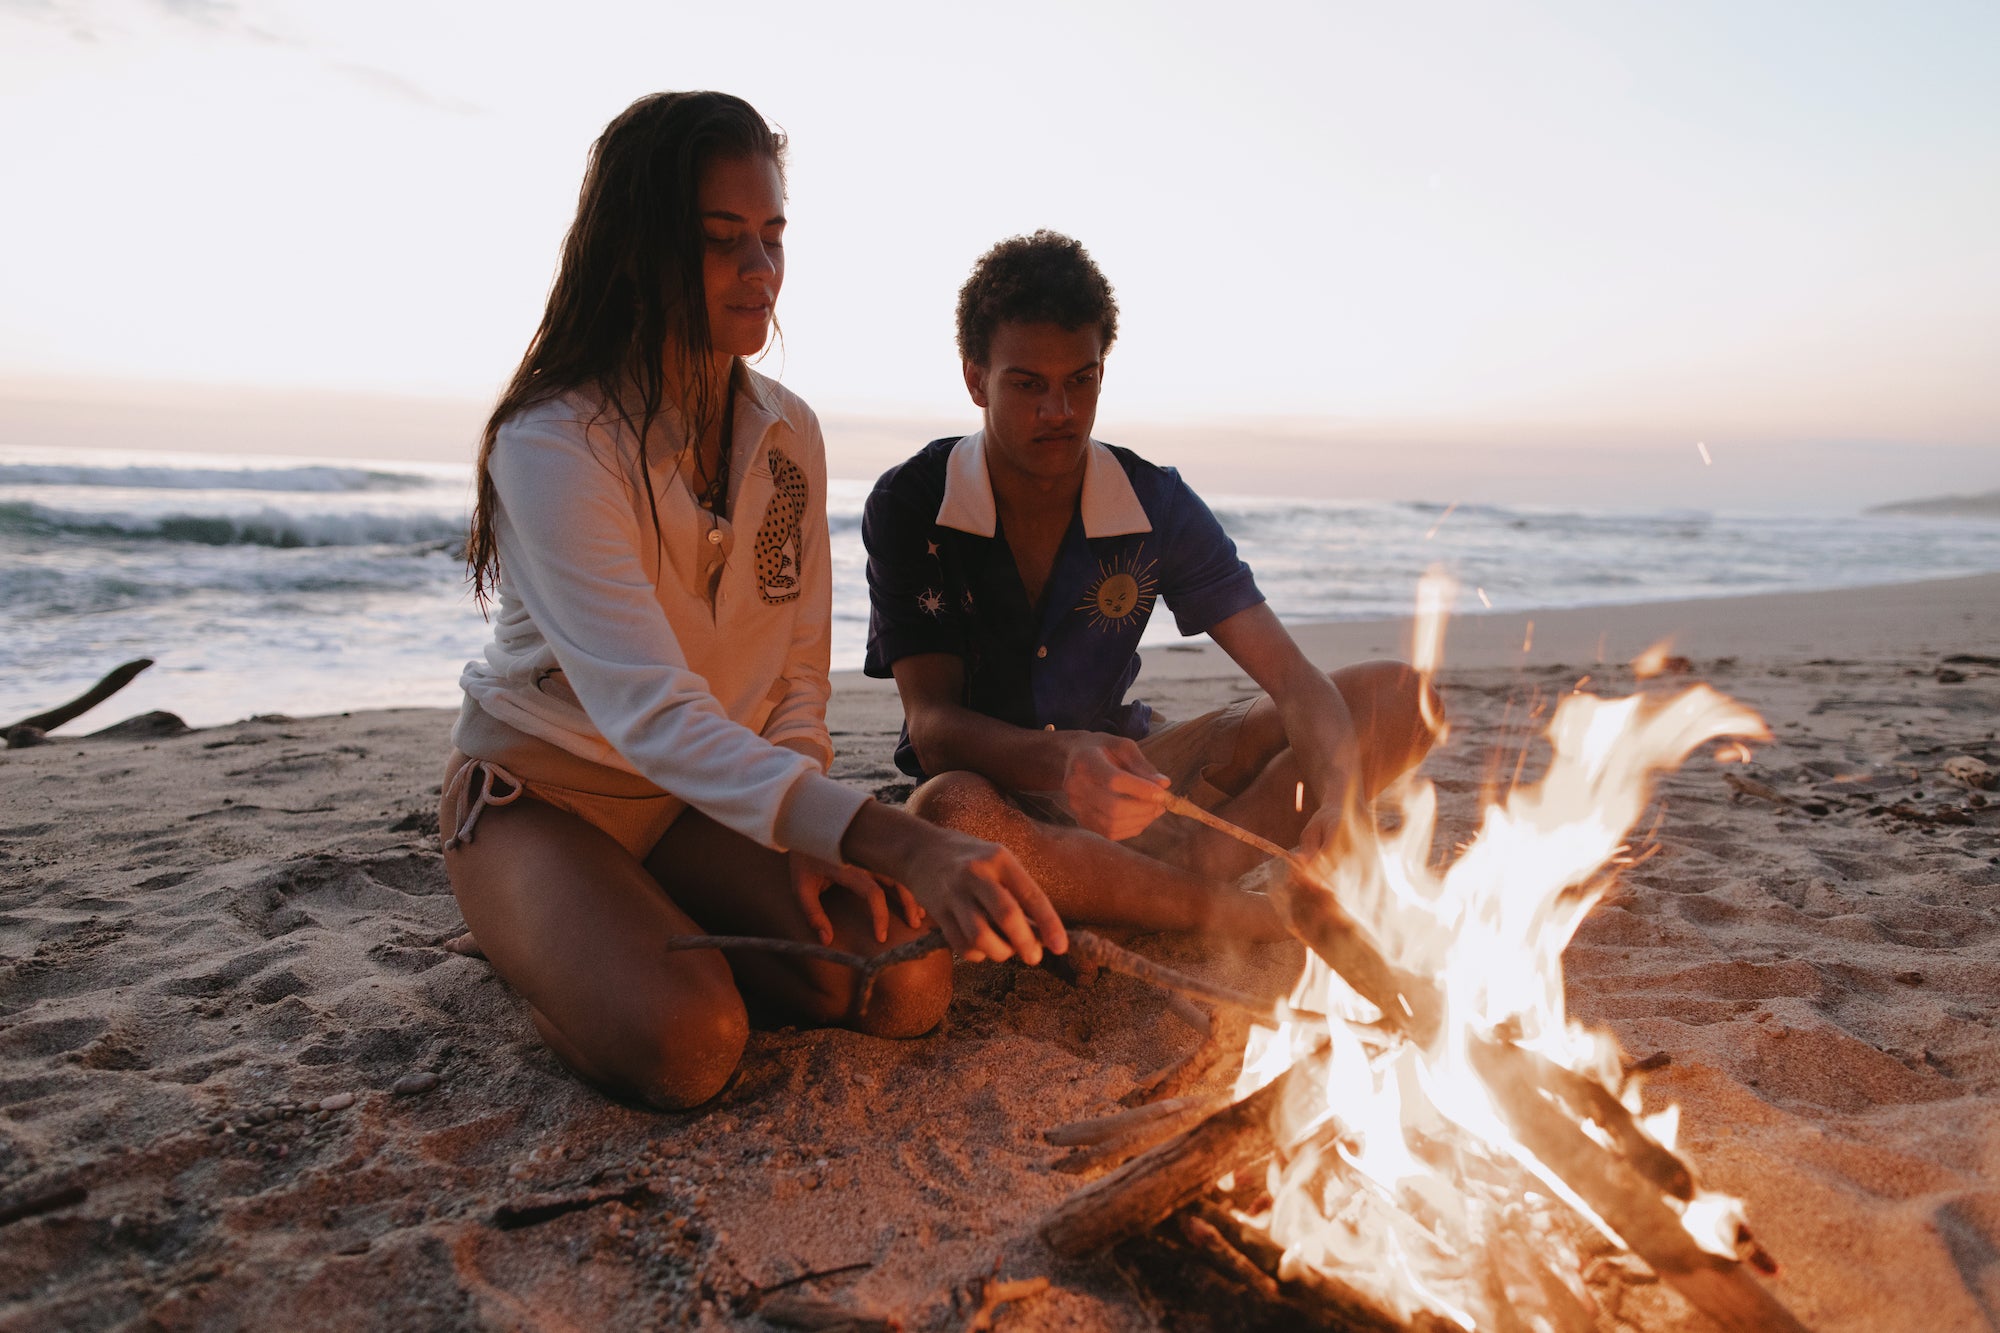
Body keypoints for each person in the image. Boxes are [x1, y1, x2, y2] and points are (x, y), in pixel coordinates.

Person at [442, 93, 1063, 1111]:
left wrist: (806, 824)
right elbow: (653, 713)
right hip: (546, 798)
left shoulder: (786, 434)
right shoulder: (553, 442)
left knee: (902, 975)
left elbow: (794, 674)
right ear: (638, 252)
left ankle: (637, 921)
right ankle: (534, 936)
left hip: (701, 797)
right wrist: (890, 835)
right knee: (690, 1042)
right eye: (721, 240)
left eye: (772, 236)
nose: (760, 270)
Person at [862, 231, 1438, 936]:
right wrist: (1063, 757)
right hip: (1002, 795)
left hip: (1134, 777)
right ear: (975, 378)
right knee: (951, 810)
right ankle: (1235, 916)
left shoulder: (1150, 500)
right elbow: (933, 730)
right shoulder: (914, 501)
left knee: (1401, 697)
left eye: (1081, 379)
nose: (1059, 410)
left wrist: (1340, 804)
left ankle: (1167, 874)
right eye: (1028, 384)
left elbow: (1292, 679)